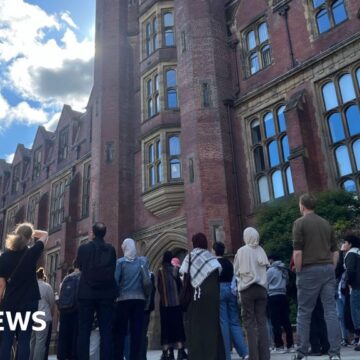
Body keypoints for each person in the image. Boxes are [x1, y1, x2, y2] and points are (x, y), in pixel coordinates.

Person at [292, 194, 341, 360]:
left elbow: (298, 252)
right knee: (330, 311)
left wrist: (299, 272)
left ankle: (302, 352)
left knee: (304, 312)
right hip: (327, 268)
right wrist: (331, 267)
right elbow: (335, 251)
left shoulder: (299, 223)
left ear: (302, 206)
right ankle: (334, 353)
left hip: (308, 269)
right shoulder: (325, 223)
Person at [0, 223, 48, 360]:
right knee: (24, 340)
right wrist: (31, 232)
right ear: (28, 238)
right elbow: (45, 235)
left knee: (7, 339)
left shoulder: (4, 257)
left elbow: (1, 285)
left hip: (10, 303)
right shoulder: (31, 252)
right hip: (28, 302)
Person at [179, 232, 225, 360]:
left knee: (196, 329)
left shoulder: (190, 257)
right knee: (212, 327)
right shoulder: (211, 258)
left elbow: (182, 274)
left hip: (196, 298)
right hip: (213, 299)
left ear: (194, 243)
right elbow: (218, 273)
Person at [76, 222, 117, 360]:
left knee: (84, 331)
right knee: (106, 330)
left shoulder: (83, 248)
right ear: (104, 233)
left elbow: (80, 266)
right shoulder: (111, 250)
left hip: (87, 292)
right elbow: (113, 268)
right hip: (106, 293)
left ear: (93, 233)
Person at [234, 227, 270, 360]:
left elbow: (236, 271)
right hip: (261, 289)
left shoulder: (241, 251)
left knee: (249, 323)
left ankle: (253, 356)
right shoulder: (261, 250)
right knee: (262, 322)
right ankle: (265, 356)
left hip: (247, 290)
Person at [113, 238, 150, 360]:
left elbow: (115, 281)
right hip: (139, 300)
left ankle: (119, 356)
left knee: (121, 331)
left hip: (123, 301)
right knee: (137, 332)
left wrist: (117, 295)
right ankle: (135, 357)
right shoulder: (142, 261)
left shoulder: (120, 262)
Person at [213, 241, 249, 360]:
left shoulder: (214, 263)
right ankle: (244, 352)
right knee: (235, 322)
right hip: (231, 290)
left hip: (219, 290)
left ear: (214, 251)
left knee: (223, 322)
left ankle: (226, 355)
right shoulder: (229, 263)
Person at [157, 251, 187, 360]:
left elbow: (159, 288)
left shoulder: (160, 271)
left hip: (165, 304)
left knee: (166, 328)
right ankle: (180, 351)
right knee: (178, 327)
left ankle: (166, 353)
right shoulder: (175, 270)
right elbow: (180, 286)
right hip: (176, 303)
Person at [266, 253, 294, 353]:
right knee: (286, 321)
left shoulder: (270, 270)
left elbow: (265, 283)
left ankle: (279, 346)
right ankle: (290, 345)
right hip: (283, 295)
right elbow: (287, 282)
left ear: (271, 260)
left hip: (273, 296)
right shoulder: (284, 269)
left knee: (275, 322)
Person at [57, 260, 81, 360]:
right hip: (76, 311)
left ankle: (61, 356)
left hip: (64, 311)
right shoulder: (82, 277)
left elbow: (60, 295)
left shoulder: (66, 278)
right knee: (75, 336)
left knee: (63, 336)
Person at [29, 267, 55, 360]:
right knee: (40, 343)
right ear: (43, 276)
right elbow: (52, 302)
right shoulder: (47, 286)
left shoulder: (31, 286)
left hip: (32, 316)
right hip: (43, 317)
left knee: (32, 342)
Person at [343, 233, 360, 351]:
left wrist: (347, 283)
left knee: (356, 313)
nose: (343, 244)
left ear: (350, 243)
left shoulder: (351, 254)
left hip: (356, 286)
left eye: (344, 242)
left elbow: (350, 270)